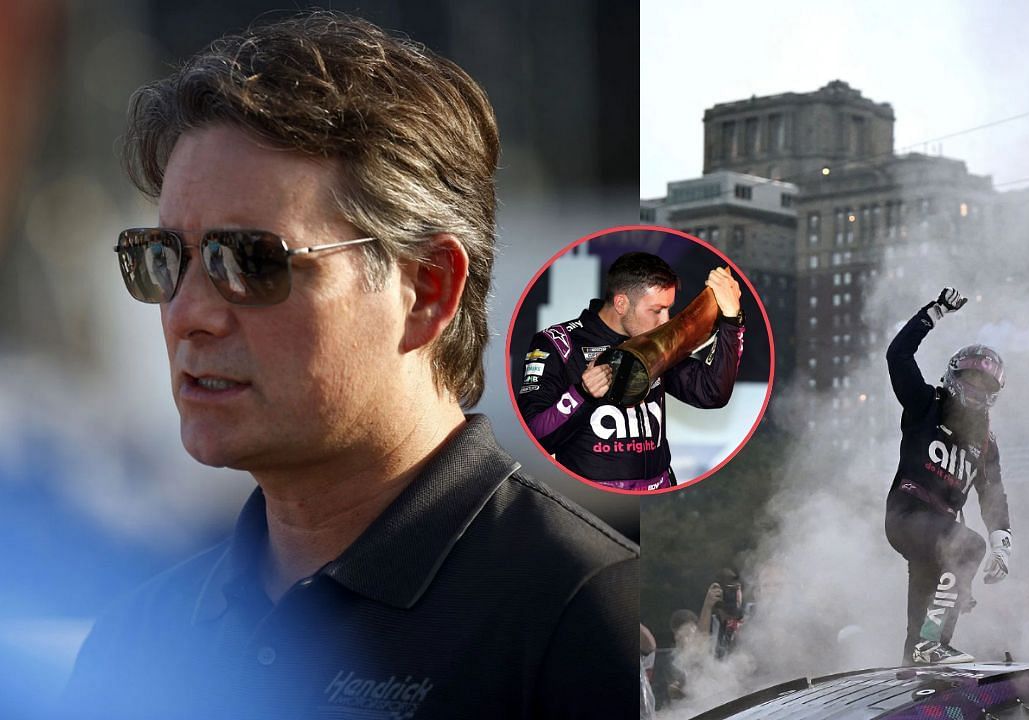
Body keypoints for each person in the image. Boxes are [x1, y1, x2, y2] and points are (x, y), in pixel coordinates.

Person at [68, 12, 637, 719]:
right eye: (162, 257)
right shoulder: (133, 641)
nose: (189, 313)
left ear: (427, 289)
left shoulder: (584, 616)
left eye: (249, 260)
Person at [517, 251, 744, 490]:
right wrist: (581, 395)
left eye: (668, 309)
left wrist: (731, 321)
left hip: (657, 498)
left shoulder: (656, 341)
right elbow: (534, 439)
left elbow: (711, 392)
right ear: (621, 303)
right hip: (595, 504)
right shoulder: (559, 343)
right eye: (656, 310)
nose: (666, 320)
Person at [884, 288, 1011, 665]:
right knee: (968, 547)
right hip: (907, 516)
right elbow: (898, 356)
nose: (975, 389)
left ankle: (919, 662)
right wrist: (934, 312)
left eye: (985, 385)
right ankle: (929, 644)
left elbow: (993, 495)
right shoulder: (926, 405)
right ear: (954, 375)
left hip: (936, 530)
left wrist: (1003, 542)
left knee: (921, 627)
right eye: (970, 379)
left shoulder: (985, 443)